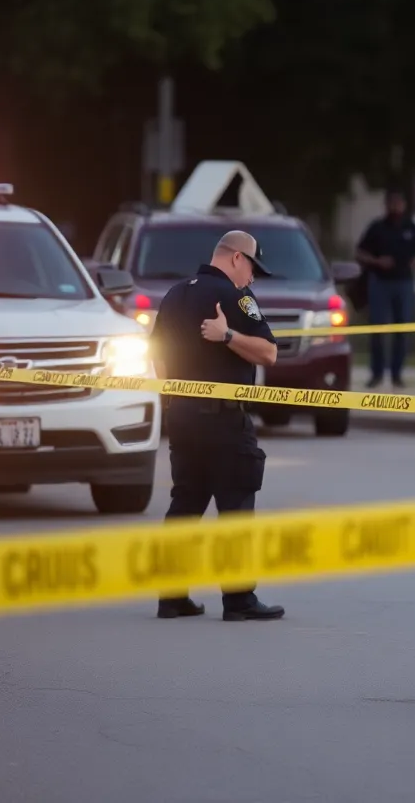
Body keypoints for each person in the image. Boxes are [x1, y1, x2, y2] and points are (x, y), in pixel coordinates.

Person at [148, 230, 286, 622]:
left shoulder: (175, 294)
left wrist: (173, 396)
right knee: (236, 506)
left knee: (185, 504)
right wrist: (228, 335)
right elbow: (268, 352)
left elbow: (156, 352)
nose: (253, 278)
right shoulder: (235, 296)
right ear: (236, 258)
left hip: (183, 418)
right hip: (225, 419)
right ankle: (239, 600)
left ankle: (172, 597)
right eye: (253, 267)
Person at [355, 189, 415, 389]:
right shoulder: (377, 228)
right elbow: (360, 253)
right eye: (392, 204)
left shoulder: (412, 228)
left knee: (402, 330)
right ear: (387, 206)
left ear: (404, 206)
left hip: (404, 283)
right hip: (380, 283)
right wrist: (377, 261)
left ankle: (397, 374)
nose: (396, 208)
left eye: (399, 204)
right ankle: (376, 373)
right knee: (378, 329)